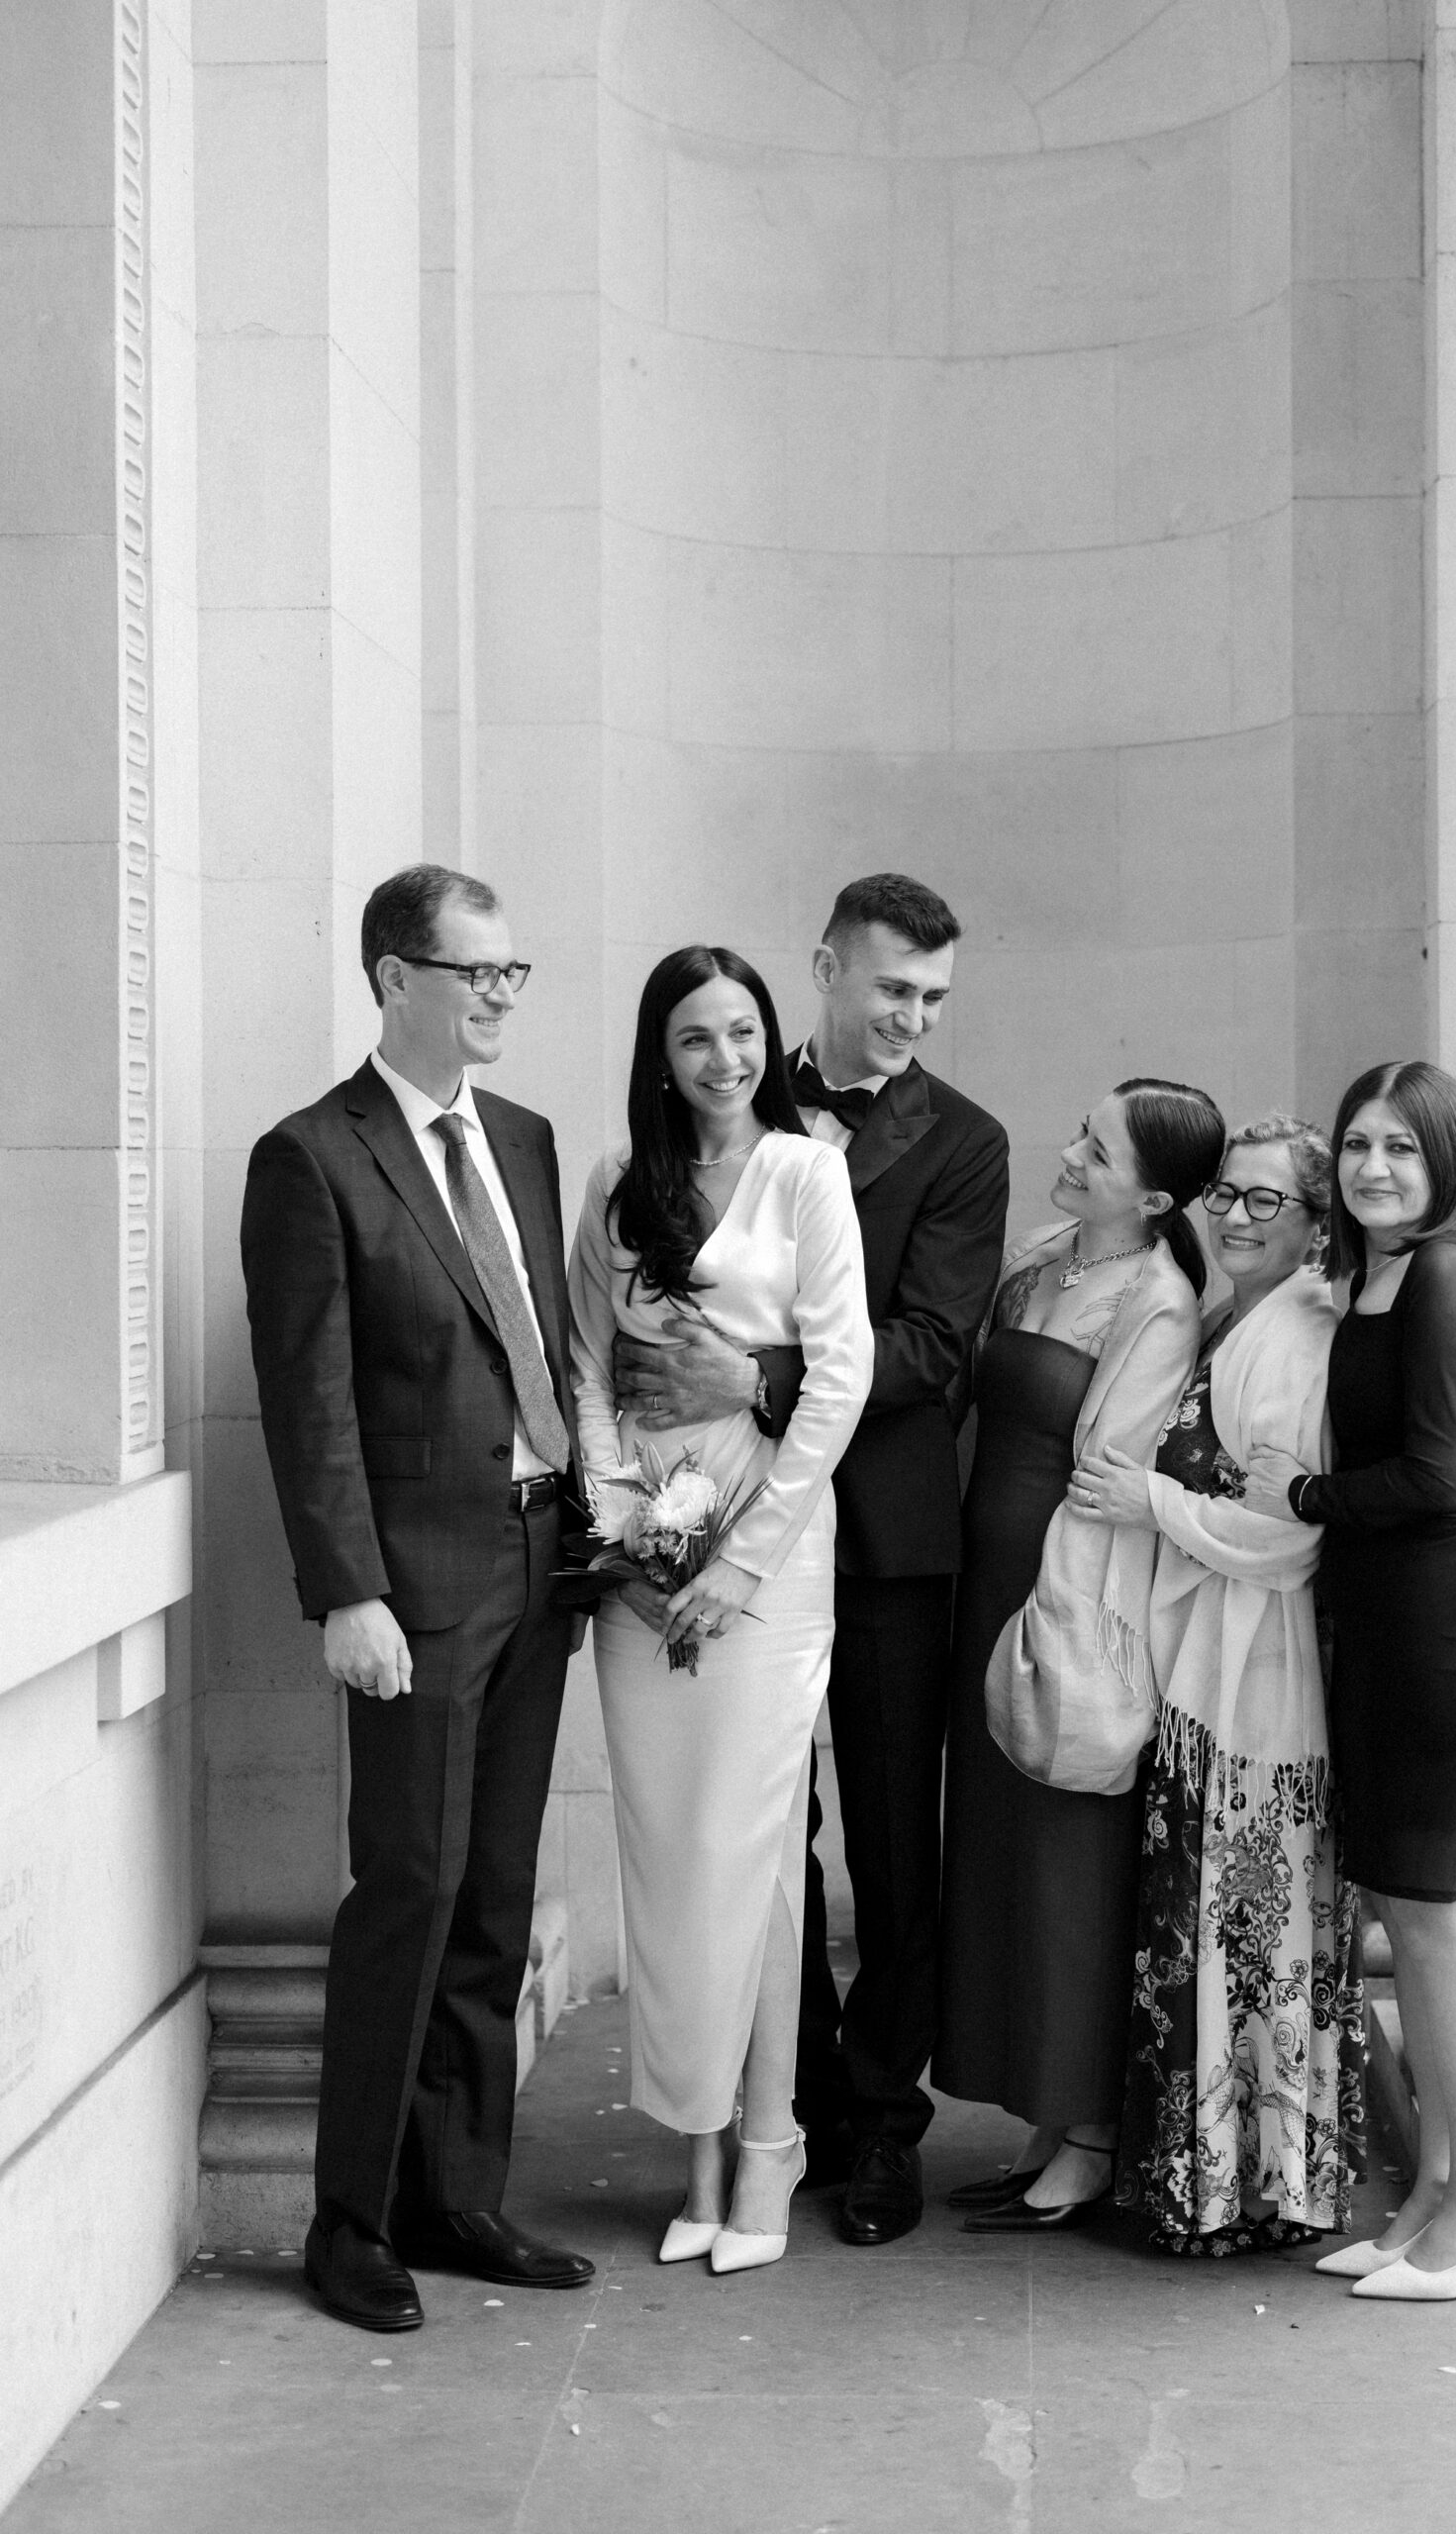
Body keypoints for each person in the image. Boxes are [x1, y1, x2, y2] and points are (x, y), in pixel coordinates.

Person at [610, 876, 1009, 2249]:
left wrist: (755, 1376)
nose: (912, 1017)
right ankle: (798, 2106)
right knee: (764, 1835)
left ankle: (884, 2124)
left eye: (933, 998)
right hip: (711, 1520)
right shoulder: (719, 1091)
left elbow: (934, 1349)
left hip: (885, 1535)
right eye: (892, 987)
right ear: (827, 969)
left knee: (890, 1843)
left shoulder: (963, 1141)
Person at [242, 865, 595, 2334]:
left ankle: (457, 2197)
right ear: (396, 978)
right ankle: (350, 2222)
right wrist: (350, 1594)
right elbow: (309, 1398)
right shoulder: (311, 1157)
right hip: (418, 1592)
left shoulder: (523, 1138)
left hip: (541, 1559)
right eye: (477, 972)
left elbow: (541, 1342)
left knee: (494, 1898)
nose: (502, 994)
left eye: (514, 971)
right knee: (409, 1890)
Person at [568, 945, 872, 2275]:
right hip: (640, 1557)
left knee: (748, 1848)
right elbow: (585, 1371)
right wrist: (619, 1531)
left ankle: (770, 2143)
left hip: (768, 1550)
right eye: (696, 1037)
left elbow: (841, 1375)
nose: (726, 1060)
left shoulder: (806, 1172)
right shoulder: (612, 1184)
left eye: (744, 1032)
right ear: (660, 1052)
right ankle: (693, 2152)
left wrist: (741, 1562)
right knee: (666, 1852)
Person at [1250, 1059, 1456, 2302]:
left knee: (1444, 1910)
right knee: (1409, 1909)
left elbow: (1434, 1474)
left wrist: (1302, 1493)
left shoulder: (1448, 1272)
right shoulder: (1381, 1273)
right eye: (1359, 1143)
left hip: (1439, 1623)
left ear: (1448, 1161)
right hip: (1380, 1618)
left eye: (1402, 1148)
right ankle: (1436, 2189)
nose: (1374, 1166)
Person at [934, 1079, 1224, 2230]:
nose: (1070, 1153)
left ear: (1152, 1197)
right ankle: (1044, 2118)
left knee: (1069, 1857)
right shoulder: (1041, 1258)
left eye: (1096, 1150)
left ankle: (1094, 2132)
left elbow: (1108, 1481)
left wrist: (1056, 1614)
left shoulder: (1159, 1302)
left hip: (1065, 1593)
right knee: (1001, 1853)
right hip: (985, 1574)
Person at [1093, 1117, 1366, 2254]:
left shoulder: (1300, 1334)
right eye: (1226, 1196)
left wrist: (1150, 1502)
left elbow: (1288, 1536)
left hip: (1263, 1678)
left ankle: (1259, 2185)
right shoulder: (1233, 1316)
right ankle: (1216, 2179)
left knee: (1253, 1920)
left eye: (1266, 1201)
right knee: (1217, 1920)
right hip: (1211, 1666)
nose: (1237, 1217)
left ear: (1315, 1225)